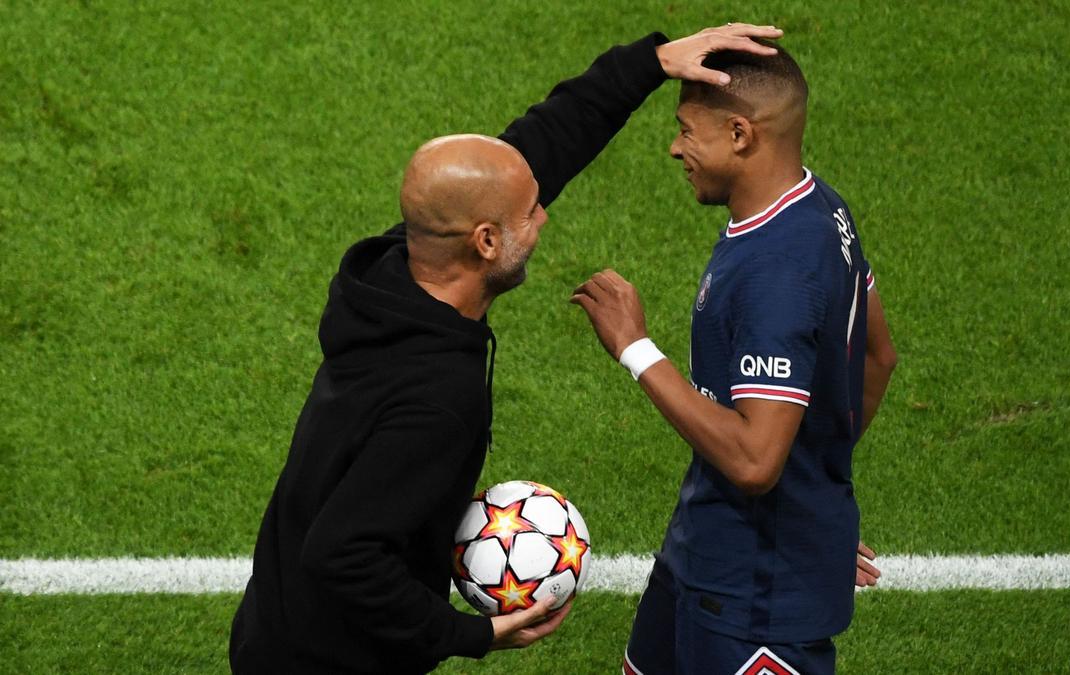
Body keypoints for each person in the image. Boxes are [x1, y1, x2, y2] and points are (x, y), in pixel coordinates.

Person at [228, 24, 784, 674]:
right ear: (486, 242)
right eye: (531, 213)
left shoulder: (392, 270)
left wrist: (650, 63)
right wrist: (473, 633)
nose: (544, 215)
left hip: (271, 622)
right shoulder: (438, 399)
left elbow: (534, 149)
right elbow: (341, 553)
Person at [570, 41, 897, 674]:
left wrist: (634, 348)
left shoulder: (775, 271)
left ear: (740, 134)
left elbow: (753, 461)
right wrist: (814, 507)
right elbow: (877, 357)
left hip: (752, 602)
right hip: (701, 554)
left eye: (686, 132)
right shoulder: (822, 207)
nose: (675, 149)